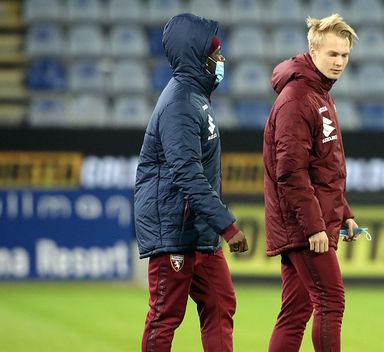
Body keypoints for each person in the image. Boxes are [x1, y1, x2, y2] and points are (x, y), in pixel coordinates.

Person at [134, 13, 248, 352]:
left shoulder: (196, 98)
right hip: (175, 229)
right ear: (199, 57)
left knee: (220, 303)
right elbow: (187, 174)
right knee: (165, 316)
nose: (222, 59)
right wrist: (227, 226)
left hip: (198, 231)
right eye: (216, 53)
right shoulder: (180, 104)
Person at [263, 14, 359, 352]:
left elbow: (323, 165)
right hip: (304, 226)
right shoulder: (298, 98)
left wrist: (343, 211)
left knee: (295, 312)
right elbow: (290, 171)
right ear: (313, 50)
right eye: (333, 54)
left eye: (345, 55)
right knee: (331, 302)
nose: (339, 62)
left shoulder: (318, 92)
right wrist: (314, 226)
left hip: (310, 220)